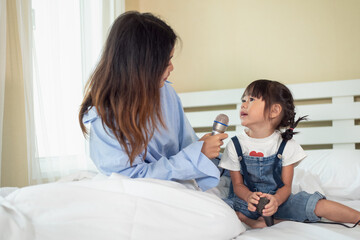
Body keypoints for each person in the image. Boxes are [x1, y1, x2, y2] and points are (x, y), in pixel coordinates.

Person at [78, 11, 227, 191]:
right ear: (143, 65)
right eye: (167, 61)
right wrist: (195, 156)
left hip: (175, 186)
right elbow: (130, 179)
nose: (172, 67)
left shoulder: (166, 93)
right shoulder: (104, 118)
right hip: (132, 194)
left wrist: (202, 152)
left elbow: (188, 147)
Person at [219, 79, 360, 228]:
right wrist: (249, 197)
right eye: (243, 99)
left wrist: (276, 201)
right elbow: (238, 185)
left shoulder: (287, 146)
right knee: (219, 209)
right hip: (245, 203)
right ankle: (249, 220)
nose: (243, 104)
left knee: (317, 204)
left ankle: (357, 217)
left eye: (251, 99)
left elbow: (286, 187)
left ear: (274, 111)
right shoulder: (234, 145)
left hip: (279, 201)